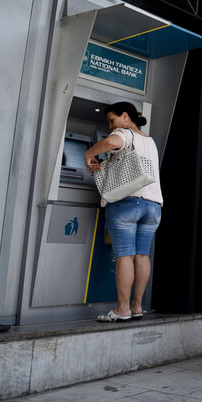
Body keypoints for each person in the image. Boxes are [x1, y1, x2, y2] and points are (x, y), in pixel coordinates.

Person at [84, 102, 163, 323]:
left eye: (112, 120)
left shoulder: (124, 133)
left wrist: (89, 153)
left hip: (127, 203)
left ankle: (122, 308)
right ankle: (137, 306)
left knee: (125, 255)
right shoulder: (150, 141)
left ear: (125, 116)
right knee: (142, 254)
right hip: (153, 206)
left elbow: (111, 142)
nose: (111, 126)